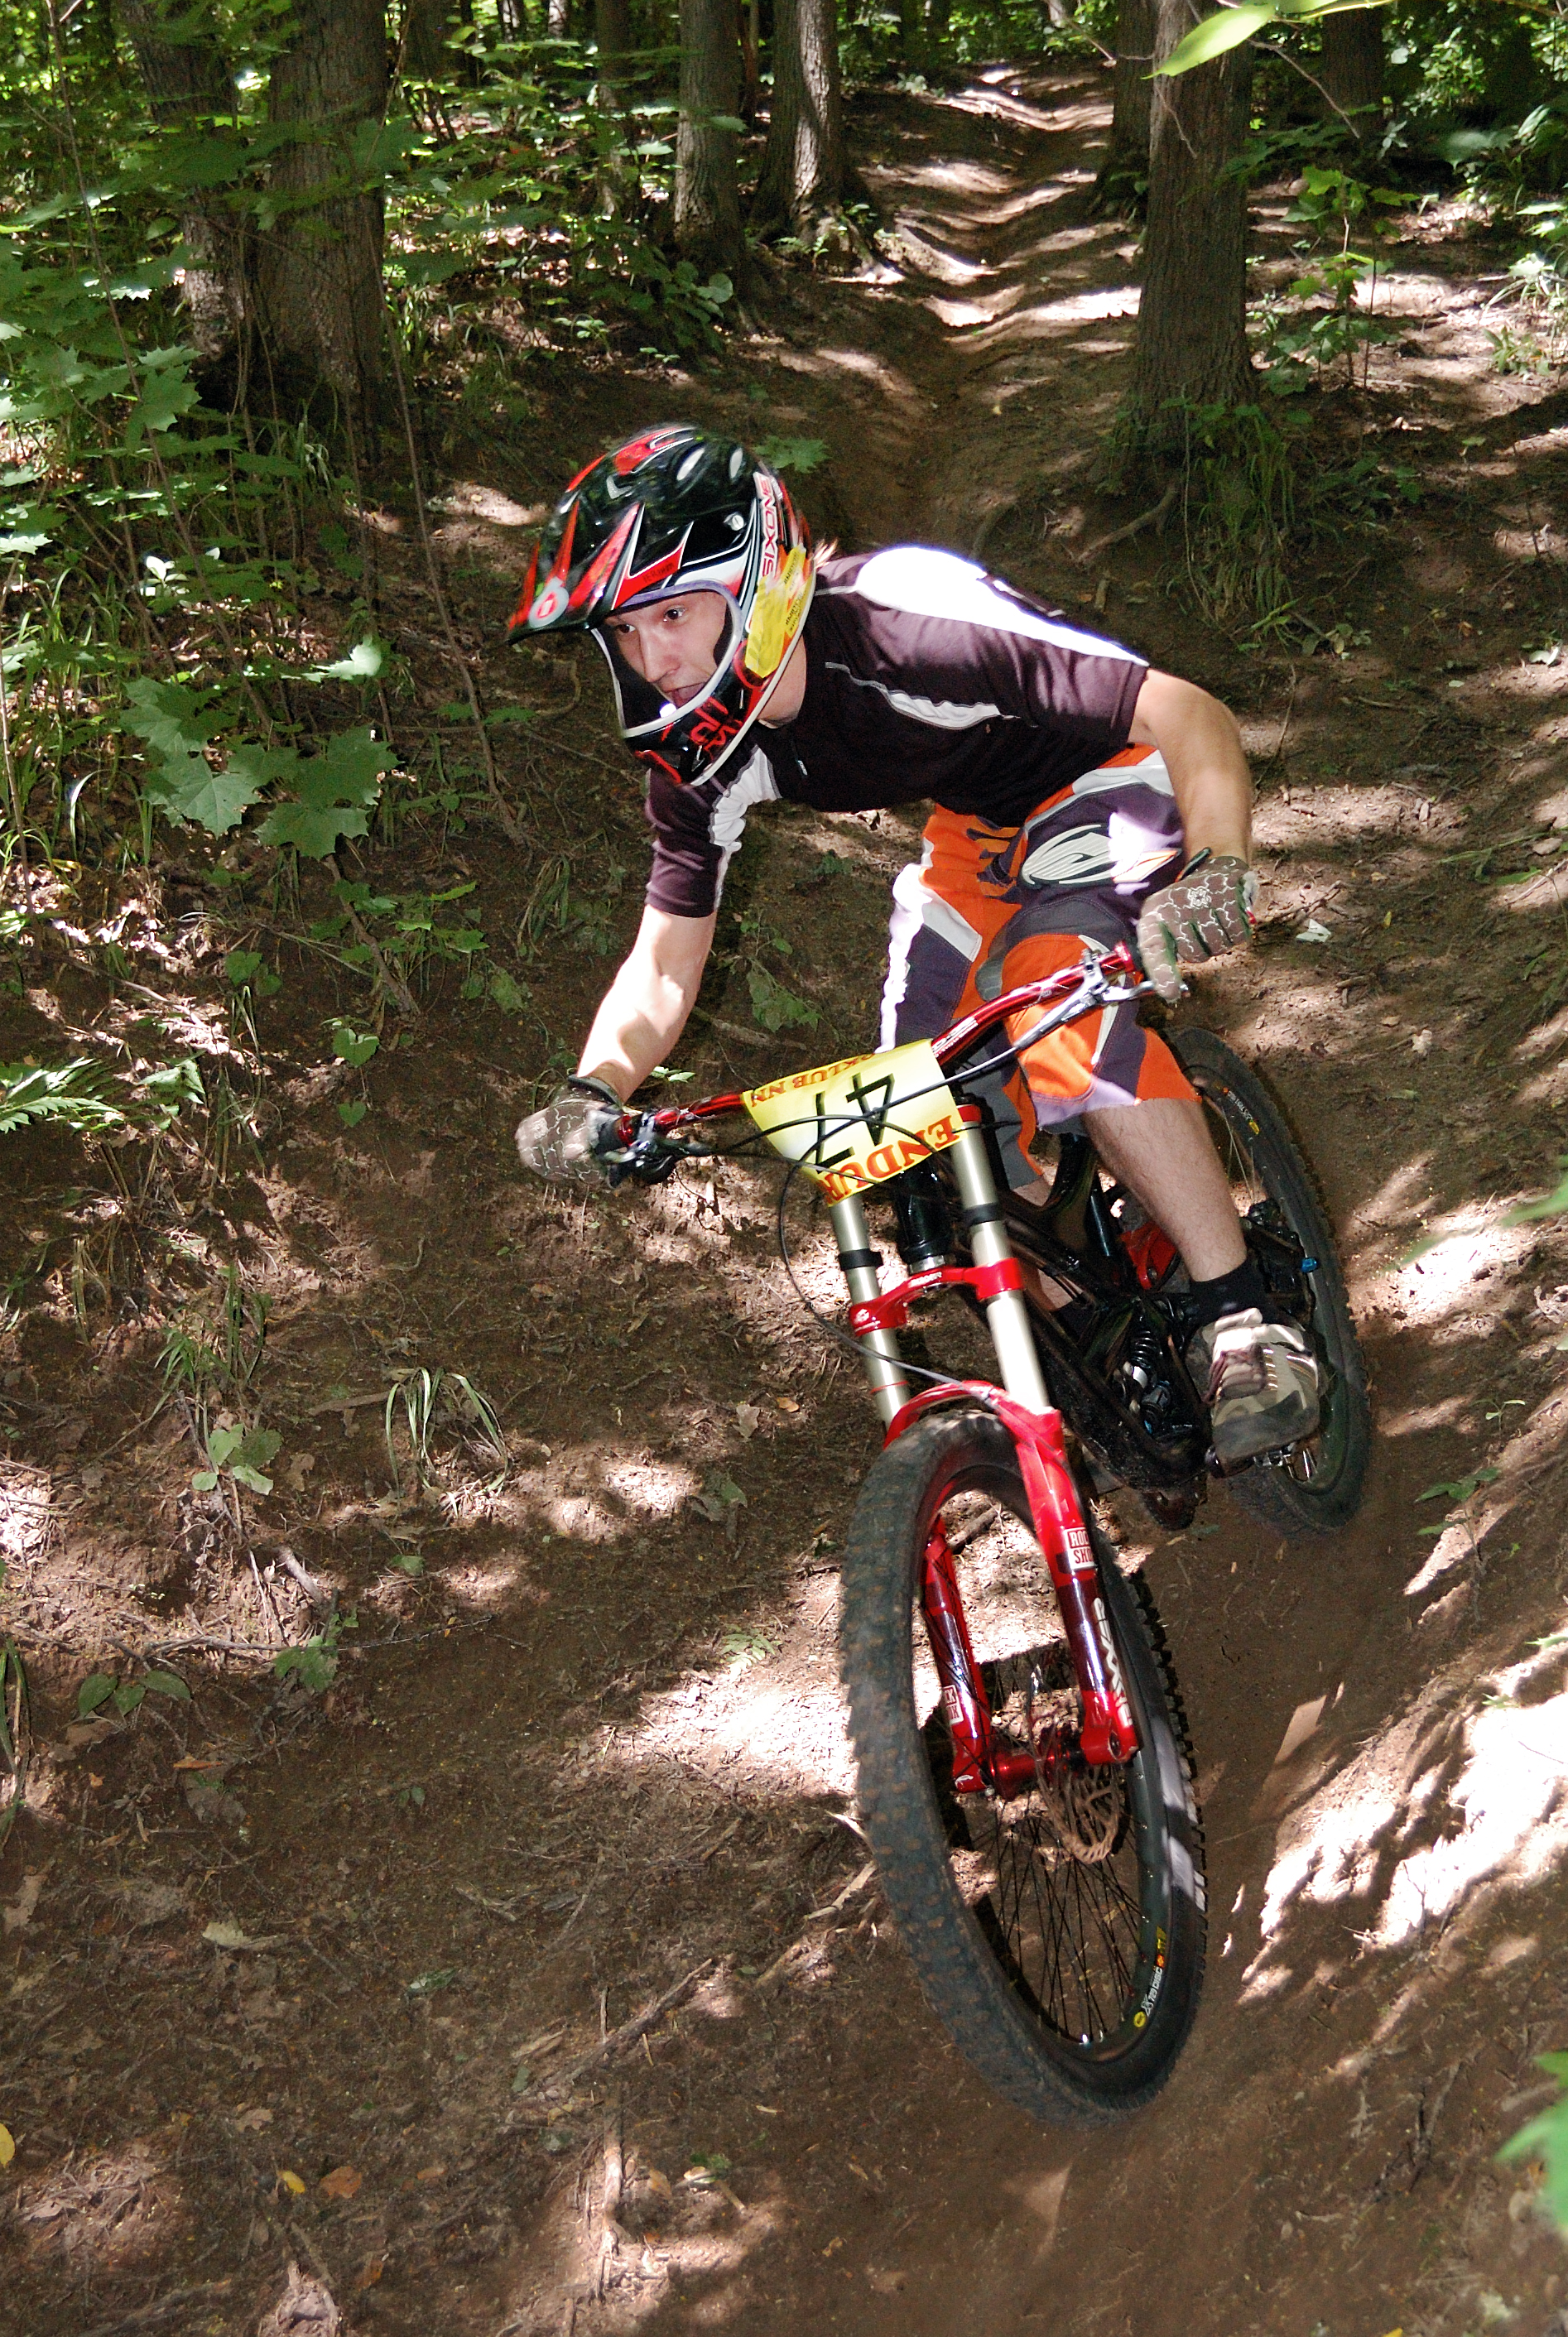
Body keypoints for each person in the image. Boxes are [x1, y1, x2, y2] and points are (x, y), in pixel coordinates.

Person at [511, 426, 1317, 1464]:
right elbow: (665, 960)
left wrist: (1216, 864)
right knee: (910, 1117)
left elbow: (1183, 711)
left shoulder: (905, 622)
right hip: (977, 829)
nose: (653, 659)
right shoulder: (702, 759)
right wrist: (593, 1092)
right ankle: (1091, 1330)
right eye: (627, 631)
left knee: (1048, 988)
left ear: (757, 583)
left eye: (673, 613)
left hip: (1108, 773)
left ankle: (1242, 1319)